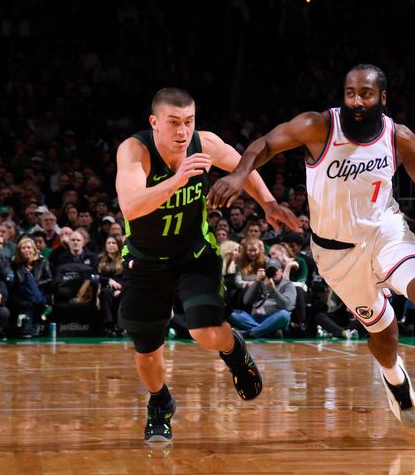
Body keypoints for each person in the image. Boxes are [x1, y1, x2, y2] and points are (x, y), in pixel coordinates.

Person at [208, 64, 415, 435]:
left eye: (365, 93)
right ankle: (395, 378)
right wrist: (237, 175)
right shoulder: (319, 127)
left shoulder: (399, 137)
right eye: (350, 93)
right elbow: (265, 143)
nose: (357, 101)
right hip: (336, 254)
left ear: (382, 97)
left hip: (387, 232)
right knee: (385, 334)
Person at [115, 87, 297, 443]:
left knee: (204, 331)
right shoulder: (135, 150)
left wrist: (269, 203)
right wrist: (177, 180)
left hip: (193, 254)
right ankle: (160, 402)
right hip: (145, 260)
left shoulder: (205, 144)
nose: (183, 132)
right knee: (148, 350)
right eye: (173, 123)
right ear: (154, 123)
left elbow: (244, 165)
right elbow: (131, 207)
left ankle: (235, 350)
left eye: (188, 122)